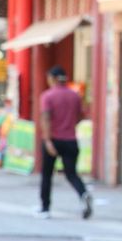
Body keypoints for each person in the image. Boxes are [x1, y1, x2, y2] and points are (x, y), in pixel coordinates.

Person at [38, 66, 92, 219]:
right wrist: (69, 125)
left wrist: (47, 141)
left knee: (47, 175)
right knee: (71, 173)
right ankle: (83, 193)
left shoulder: (48, 96)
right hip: (71, 140)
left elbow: (46, 118)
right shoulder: (75, 96)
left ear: (53, 78)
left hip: (54, 139)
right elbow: (81, 116)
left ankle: (45, 208)